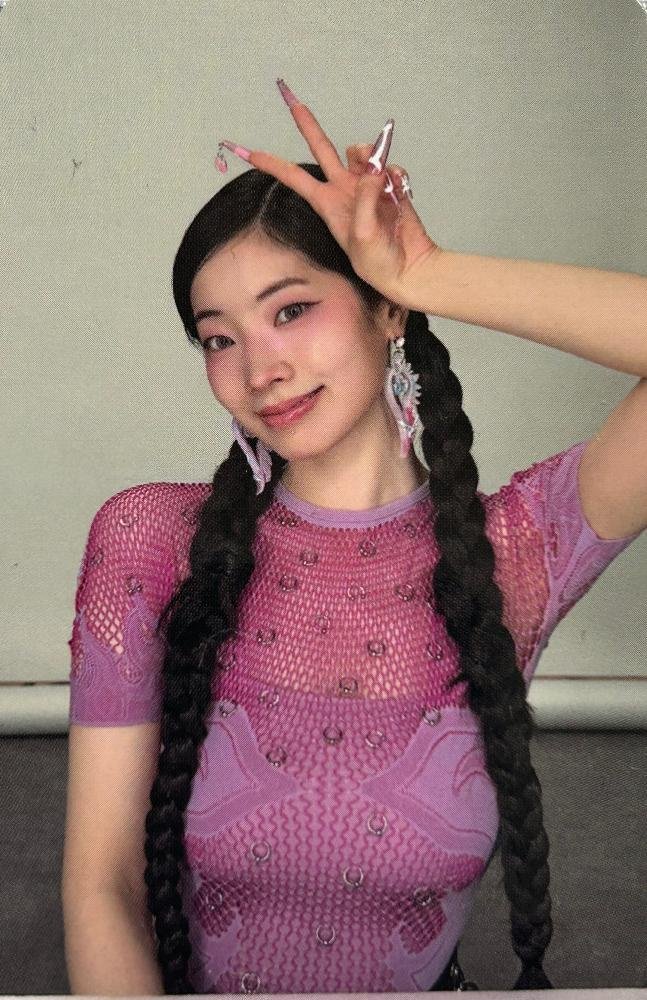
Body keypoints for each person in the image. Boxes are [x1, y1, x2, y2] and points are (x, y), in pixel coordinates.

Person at [63, 80, 647, 995]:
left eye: (291, 309)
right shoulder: (151, 540)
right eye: (218, 339)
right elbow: (103, 886)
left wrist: (425, 272)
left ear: (384, 310)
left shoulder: (514, 550)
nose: (260, 368)